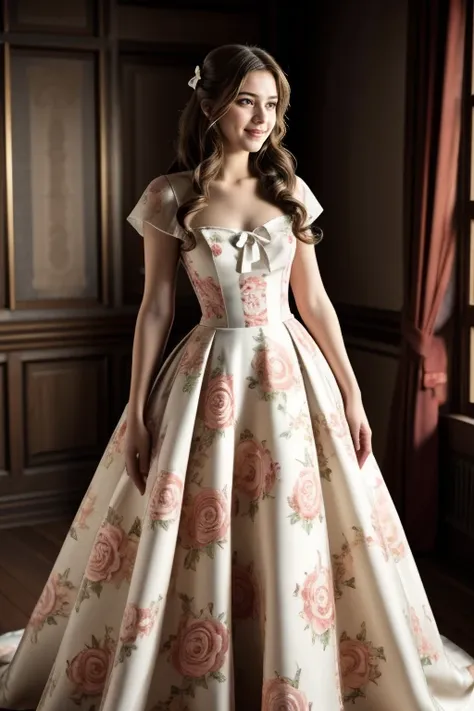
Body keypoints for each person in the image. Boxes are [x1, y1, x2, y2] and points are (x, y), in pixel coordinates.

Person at [0, 43, 473, 711]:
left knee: (298, 527)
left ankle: (297, 663)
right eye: (247, 100)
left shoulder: (291, 193)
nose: (261, 116)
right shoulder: (171, 195)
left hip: (292, 376)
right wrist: (137, 412)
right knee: (196, 528)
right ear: (211, 102)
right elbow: (157, 307)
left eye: (272, 103)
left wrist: (353, 391)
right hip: (209, 375)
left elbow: (315, 302)